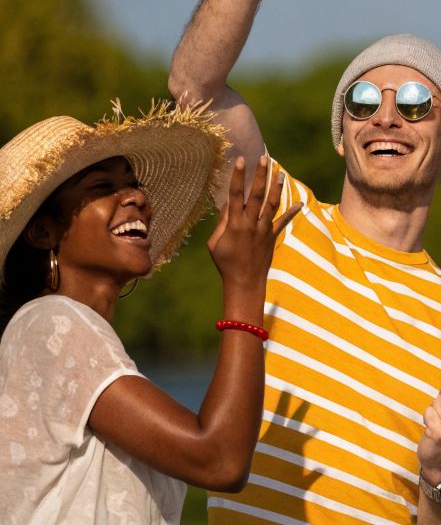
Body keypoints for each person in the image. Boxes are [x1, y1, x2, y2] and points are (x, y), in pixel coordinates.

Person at [167, 0, 441, 524]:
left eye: (416, 102)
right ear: (340, 133)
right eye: (361, 102)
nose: (386, 115)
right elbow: (193, 88)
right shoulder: (281, 220)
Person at [0, 104, 294, 523]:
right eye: (102, 186)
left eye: (133, 184)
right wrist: (245, 286)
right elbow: (219, 461)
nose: (137, 197)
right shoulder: (54, 323)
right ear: (43, 231)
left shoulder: (68, 335)